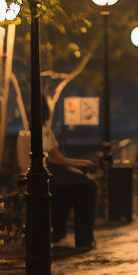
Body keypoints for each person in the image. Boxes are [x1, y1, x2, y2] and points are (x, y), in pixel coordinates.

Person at [41, 101, 97, 248]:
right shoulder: (41, 130)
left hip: (52, 172)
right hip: (48, 173)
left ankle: (65, 232)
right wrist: (79, 164)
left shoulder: (42, 130)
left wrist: (80, 163)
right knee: (87, 186)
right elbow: (56, 159)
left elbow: (57, 158)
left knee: (83, 184)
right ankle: (83, 237)